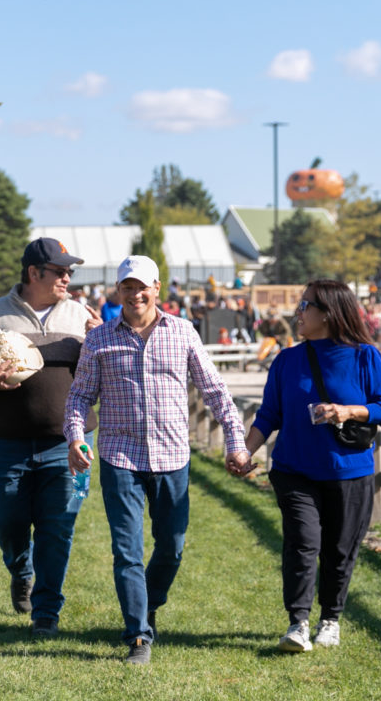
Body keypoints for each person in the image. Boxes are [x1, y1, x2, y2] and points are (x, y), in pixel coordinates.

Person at [64, 255, 253, 665]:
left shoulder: (182, 332)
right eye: (127, 288)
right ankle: (138, 635)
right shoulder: (100, 340)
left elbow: (216, 391)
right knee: (127, 549)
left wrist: (235, 442)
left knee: (172, 547)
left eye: (142, 287)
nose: (135, 295)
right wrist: (76, 437)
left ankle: (148, 603)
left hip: (171, 457)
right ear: (118, 292)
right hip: (120, 457)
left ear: (156, 288)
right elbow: (80, 396)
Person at [235, 279, 381, 652]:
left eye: (305, 305)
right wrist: (246, 452)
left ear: (328, 313)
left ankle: (331, 620)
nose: (298, 313)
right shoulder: (287, 360)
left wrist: (348, 410)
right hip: (294, 470)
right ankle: (298, 623)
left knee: (339, 550)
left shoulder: (364, 356)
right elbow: (268, 415)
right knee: (302, 544)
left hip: (349, 472)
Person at [0, 238, 99, 637]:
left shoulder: (82, 316)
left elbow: (100, 378)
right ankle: (21, 569)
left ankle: (46, 610)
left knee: (58, 527)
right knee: (4, 518)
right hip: (5, 442)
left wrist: (100, 343)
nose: (68, 277)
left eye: (70, 271)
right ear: (34, 273)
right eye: (60, 270)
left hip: (67, 446)